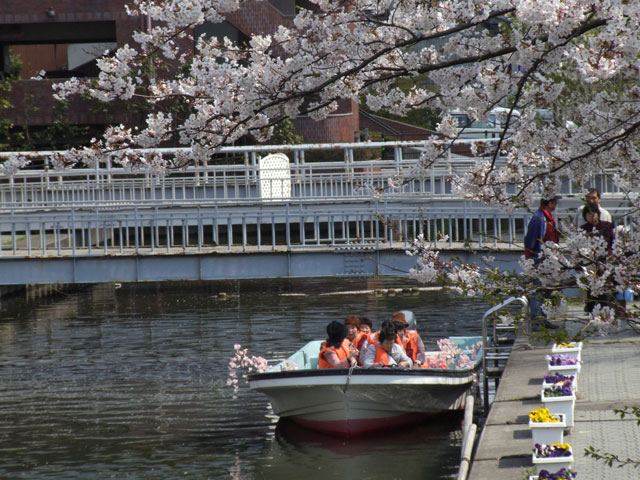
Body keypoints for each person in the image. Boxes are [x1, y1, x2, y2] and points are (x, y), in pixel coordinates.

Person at [524, 196, 560, 328]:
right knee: (537, 290)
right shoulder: (539, 219)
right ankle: (537, 321)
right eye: (555, 202)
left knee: (545, 290)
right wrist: (530, 260)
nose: (556, 205)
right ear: (550, 203)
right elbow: (530, 240)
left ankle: (543, 319)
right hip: (538, 260)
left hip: (548, 260)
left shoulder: (546, 217)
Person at [580, 204, 616, 314]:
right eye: (588, 215)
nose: (591, 217)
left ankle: (605, 308)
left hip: (605, 261)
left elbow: (613, 242)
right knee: (591, 286)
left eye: (593, 214)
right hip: (590, 262)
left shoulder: (607, 226)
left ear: (598, 214)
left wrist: (610, 254)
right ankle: (591, 308)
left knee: (605, 286)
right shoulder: (583, 229)